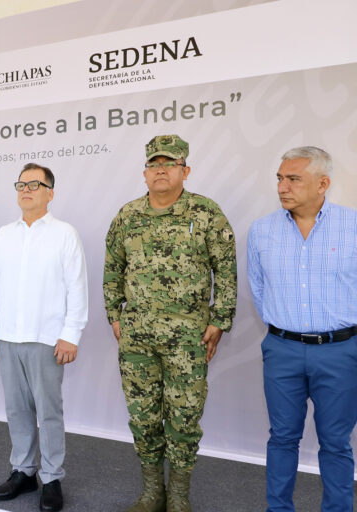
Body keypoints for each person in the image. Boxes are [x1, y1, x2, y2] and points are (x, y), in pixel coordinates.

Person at [103, 135, 237, 512]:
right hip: (137, 341)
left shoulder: (206, 213)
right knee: (143, 417)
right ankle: (152, 492)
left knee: (183, 419)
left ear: (185, 170)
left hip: (187, 339)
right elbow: (113, 270)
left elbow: (225, 269)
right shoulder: (127, 216)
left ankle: (178, 495)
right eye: (154, 164)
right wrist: (115, 315)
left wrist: (221, 319)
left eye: (169, 163)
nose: (160, 170)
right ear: (145, 174)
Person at [247, 146, 357, 512]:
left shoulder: (353, 226)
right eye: (280, 178)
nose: (282, 187)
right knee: (281, 438)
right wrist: (286, 330)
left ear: (323, 183)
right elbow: (259, 289)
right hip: (282, 350)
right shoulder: (262, 231)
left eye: (293, 179)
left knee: (336, 442)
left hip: (341, 352)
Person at [0, 163, 88, 512]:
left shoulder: (64, 234)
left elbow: (77, 288)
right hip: (8, 337)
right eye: (21, 184)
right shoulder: (3, 234)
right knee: (17, 409)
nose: (26, 190)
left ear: (50, 193)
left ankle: (52, 477)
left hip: (47, 339)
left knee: (48, 411)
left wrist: (71, 335)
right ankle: (24, 471)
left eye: (35, 184)